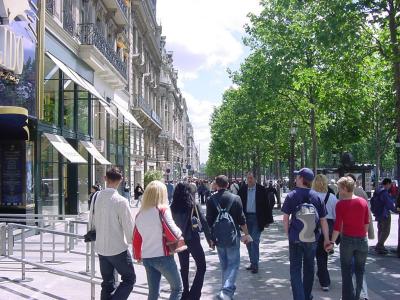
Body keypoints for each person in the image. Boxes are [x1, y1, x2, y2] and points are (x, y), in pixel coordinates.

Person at [281, 168, 330, 300]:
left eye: (297, 177)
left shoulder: (291, 195)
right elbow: (323, 221)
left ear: (302, 179)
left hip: (296, 238)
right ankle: (307, 296)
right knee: (309, 268)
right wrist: (326, 239)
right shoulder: (317, 197)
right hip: (312, 238)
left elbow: (285, 219)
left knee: (295, 270)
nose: (295, 179)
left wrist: (288, 234)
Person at [88, 167, 136, 300]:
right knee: (129, 278)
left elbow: (90, 219)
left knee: (107, 283)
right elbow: (129, 227)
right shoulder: (121, 201)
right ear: (121, 180)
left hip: (101, 247)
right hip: (117, 248)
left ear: (105, 179)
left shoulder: (96, 196)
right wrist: (135, 245)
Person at [133, 180, 183, 300]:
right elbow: (174, 232)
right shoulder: (162, 210)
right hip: (162, 256)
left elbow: (136, 238)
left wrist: (138, 255)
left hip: (147, 257)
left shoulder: (140, 214)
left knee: (153, 293)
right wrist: (180, 233)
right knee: (177, 288)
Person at [206, 175, 252, 300]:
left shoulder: (211, 199)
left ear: (216, 184)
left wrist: (210, 239)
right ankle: (226, 292)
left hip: (218, 238)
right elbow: (241, 219)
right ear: (228, 185)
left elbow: (208, 222)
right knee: (234, 264)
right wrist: (246, 234)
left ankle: (226, 293)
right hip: (233, 236)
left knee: (225, 265)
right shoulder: (235, 198)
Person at [329, 176, 370, 300]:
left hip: (347, 240)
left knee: (346, 271)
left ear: (345, 188)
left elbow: (337, 227)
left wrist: (331, 242)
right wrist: (362, 235)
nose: (339, 191)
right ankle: (360, 296)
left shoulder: (341, 204)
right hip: (362, 240)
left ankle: (348, 297)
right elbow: (366, 223)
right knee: (360, 270)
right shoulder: (363, 202)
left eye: (340, 188)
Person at [170, 182, 212, 300]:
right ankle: (195, 294)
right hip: (193, 239)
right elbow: (203, 221)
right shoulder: (193, 204)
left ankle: (185, 294)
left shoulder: (172, 207)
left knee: (184, 268)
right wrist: (209, 239)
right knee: (201, 266)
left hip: (179, 241)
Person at [238, 172, 274, 273]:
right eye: (248, 178)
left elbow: (267, 206)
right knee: (248, 241)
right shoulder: (242, 189)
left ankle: (255, 264)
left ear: (255, 179)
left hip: (257, 218)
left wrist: (268, 220)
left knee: (254, 241)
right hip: (245, 219)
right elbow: (238, 205)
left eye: (251, 178)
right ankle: (252, 262)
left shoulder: (261, 189)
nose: (249, 180)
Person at [346, 173, 374, 300]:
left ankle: (350, 294)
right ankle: (363, 295)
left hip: (349, 236)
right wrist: (368, 233)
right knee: (359, 268)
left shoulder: (343, 194)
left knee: (350, 267)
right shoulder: (362, 194)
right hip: (361, 235)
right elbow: (368, 217)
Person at [312, 174, 338, 292]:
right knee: (323, 254)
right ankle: (323, 278)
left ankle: (324, 280)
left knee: (316, 254)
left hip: (314, 227)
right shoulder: (332, 197)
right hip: (329, 226)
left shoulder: (311, 196)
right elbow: (336, 215)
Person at [373, 178, 397, 254]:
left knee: (380, 229)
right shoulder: (384, 192)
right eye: (390, 185)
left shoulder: (378, 191)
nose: (390, 186)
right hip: (384, 213)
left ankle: (380, 245)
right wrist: (395, 210)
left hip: (378, 213)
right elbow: (389, 204)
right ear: (388, 184)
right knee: (386, 231)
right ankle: (379, 245)